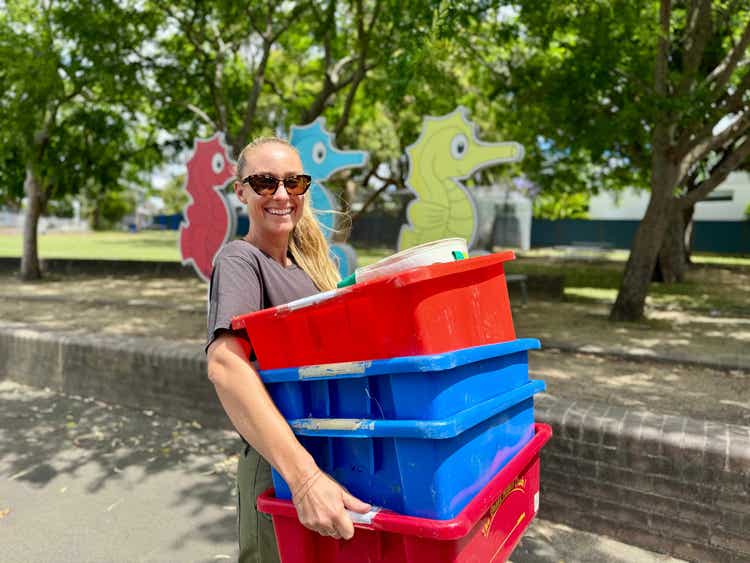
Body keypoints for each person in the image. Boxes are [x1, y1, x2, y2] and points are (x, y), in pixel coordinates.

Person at [205, 137, 371, 563]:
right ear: (241, 190)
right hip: (281, 467)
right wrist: (304, 480)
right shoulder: (241, 260)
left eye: (293, 183)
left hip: (330, 454)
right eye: (264, 182)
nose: (281, 194)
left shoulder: (310, 268)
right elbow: (225, 364)